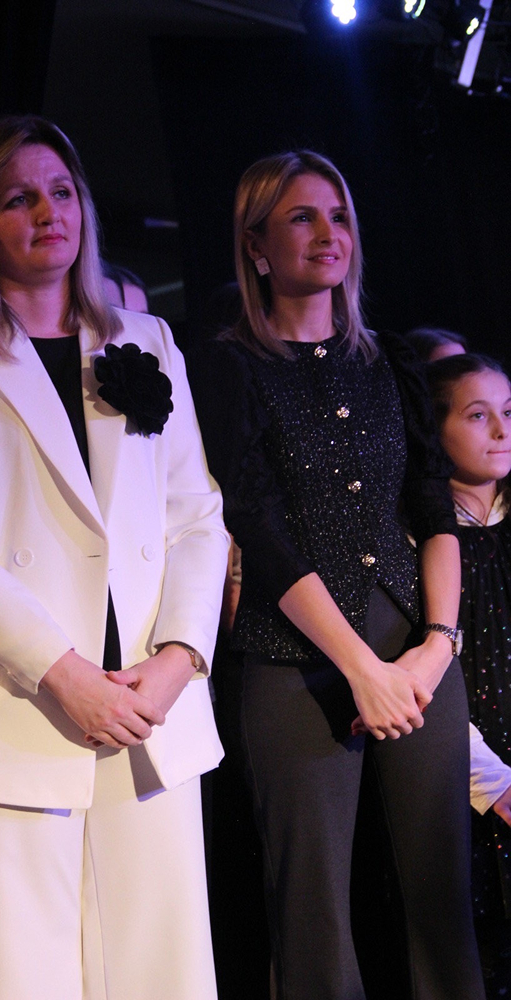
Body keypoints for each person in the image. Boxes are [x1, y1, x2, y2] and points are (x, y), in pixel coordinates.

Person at [0, 115, 229, 1000]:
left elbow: (197, 517)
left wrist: (177, 662)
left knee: (162, 971)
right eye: (18, 198)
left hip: (148, 707)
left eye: (61, 191)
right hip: (16, 704)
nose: (48, 213)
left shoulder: (145, 340)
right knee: (26, 973)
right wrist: (65, 675)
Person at [189, 150, 485, 1000]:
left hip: (416, 644)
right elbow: (259, 527)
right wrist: (361, 668)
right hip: (295, 655)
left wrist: (436, 646)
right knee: (312, 911)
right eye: (302, 217)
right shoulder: (231, 365)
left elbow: (434, 509)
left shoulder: (390, 358)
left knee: (441, 900)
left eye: (340, 215)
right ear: (256, 246)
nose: (329, 234)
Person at [427, 353, 511, 997]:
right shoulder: (424, 539)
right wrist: (493, 781)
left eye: (508, 412)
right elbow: (429, 674)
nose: (501, 431)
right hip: (471, 776)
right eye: (478, 415)